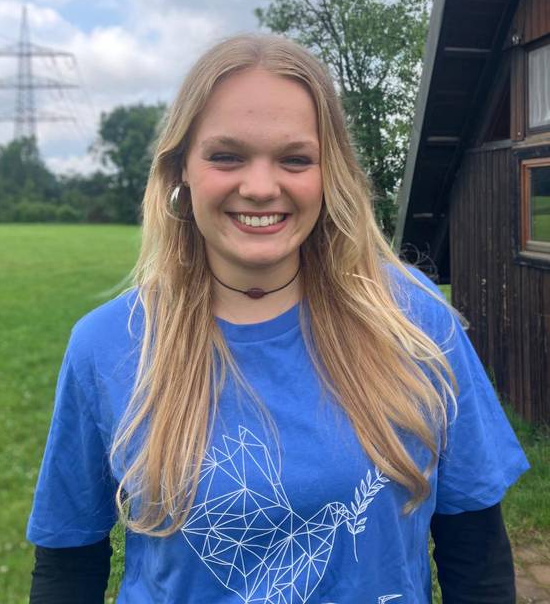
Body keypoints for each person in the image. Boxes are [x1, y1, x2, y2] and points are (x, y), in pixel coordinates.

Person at [27, 33, 529, 604]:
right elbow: (67, 567)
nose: (261, 188)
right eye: (226, 156)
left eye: (295, 159)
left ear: (329, 172)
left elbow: (476, 554)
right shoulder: (107, 344)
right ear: (180, 169)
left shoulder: (413, 319)